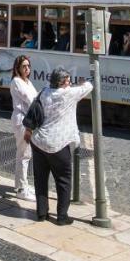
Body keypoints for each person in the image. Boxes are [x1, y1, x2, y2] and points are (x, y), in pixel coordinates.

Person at [24, 67, 93, 224]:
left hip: (39, 141)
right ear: (62, 82)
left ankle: (42, 213)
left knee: (40, 179)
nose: (69, 82)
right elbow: (87, 87)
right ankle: (62, 216)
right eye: (67, 80)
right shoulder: (68, 94)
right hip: (58, 144)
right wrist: (89, 79)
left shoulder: (44, 92)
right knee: (63, 180)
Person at [9, 55, 38, 202]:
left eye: (28, 66)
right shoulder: (16, 81)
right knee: (24, 154)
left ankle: (22, 184)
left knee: (25, 154)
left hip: (28, 120)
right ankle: (21, 188)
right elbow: (31, 99)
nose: (27, 69)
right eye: (24, 66)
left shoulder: (28, 81)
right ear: (18, 68)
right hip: (22, 121)